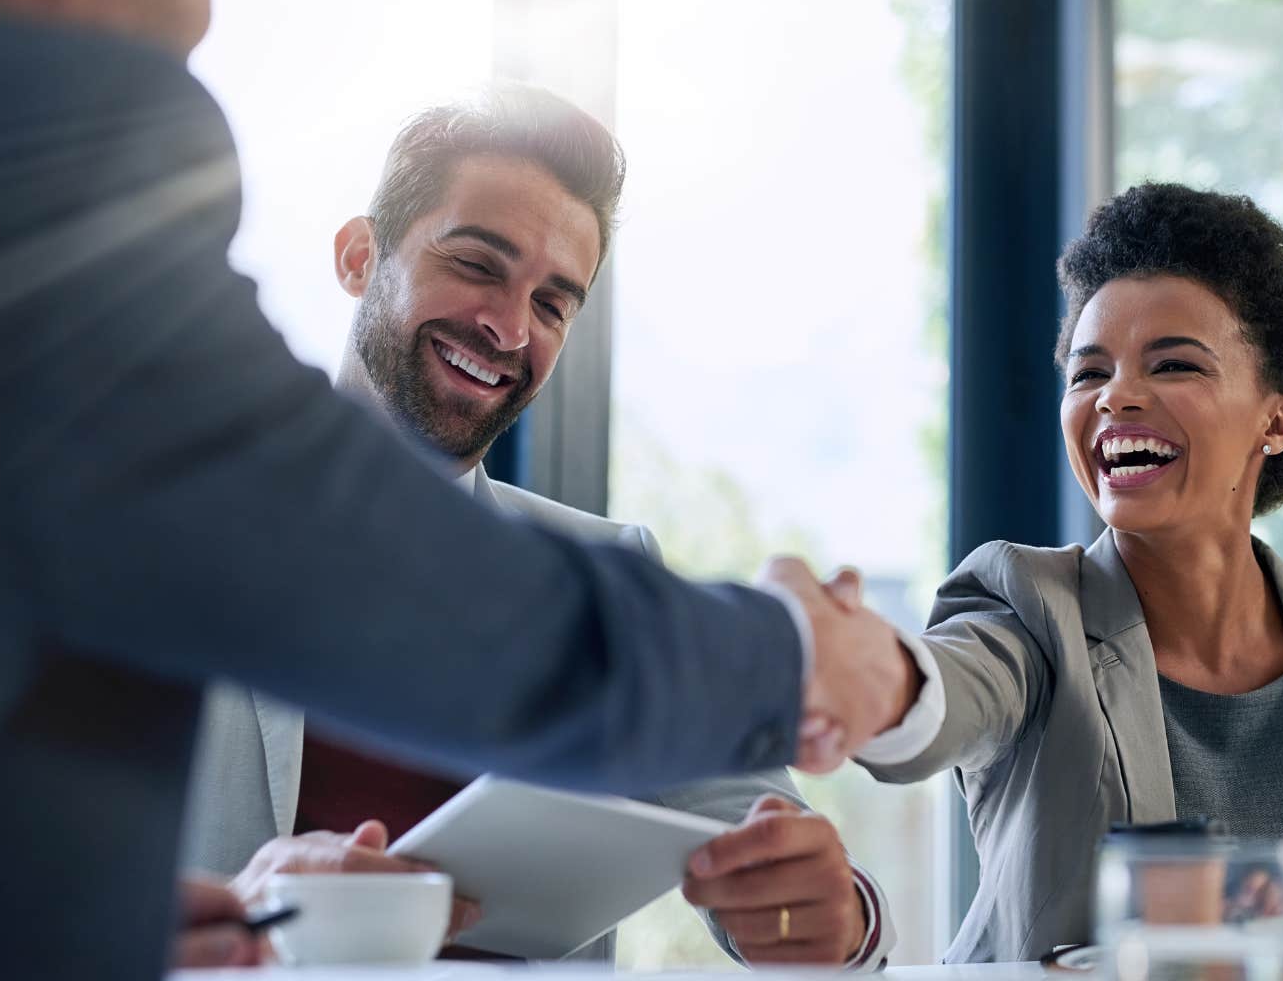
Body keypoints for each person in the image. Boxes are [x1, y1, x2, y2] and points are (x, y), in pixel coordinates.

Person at [0, 0, 919, 977]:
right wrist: (798, 651)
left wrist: (121, 925)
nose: (508, 325)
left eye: (554, 302)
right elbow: (411, 592)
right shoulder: (40, 205)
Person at [182, 93, 902, 968]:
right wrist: (239, 908)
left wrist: (836, 916)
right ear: (359, 256)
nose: (510, 327)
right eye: (480, 264)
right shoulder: (177, 518)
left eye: (554, 303)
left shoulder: (611, 569)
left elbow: (764, 833)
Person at [859, 184, 1283, 961]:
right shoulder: (1025, 608)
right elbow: (939, 696)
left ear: (1276, 420)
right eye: (1089, 375)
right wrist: (859, 672)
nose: (1116, 396)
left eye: (1175, 364)